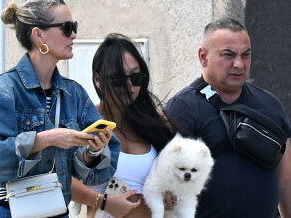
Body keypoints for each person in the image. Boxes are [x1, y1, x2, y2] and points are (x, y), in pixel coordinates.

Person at [0, 0, 120, 218]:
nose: (74, 35)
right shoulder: (5, 89)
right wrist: (46, 139)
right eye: (66, 28)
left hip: (56, 212)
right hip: (9, 212)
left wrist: (94, 151)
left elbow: (98, 174)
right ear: (38, 34)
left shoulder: (74, 94)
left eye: (74, 27)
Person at [164, 18, 291, 218]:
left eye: (245, 55)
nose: (239, 64)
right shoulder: (182, 109)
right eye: (228, 55)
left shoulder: (270, 104)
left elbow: (286, 179)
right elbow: (168, 189)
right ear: (203, 57)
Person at [70, 33, 175, 218]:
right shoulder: (83, 121)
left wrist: (171, 187)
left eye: (135, 78)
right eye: (118, 79)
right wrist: (104, 202)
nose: (129, 86)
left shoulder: (156, 121)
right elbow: (60, 179)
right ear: (98, 80)